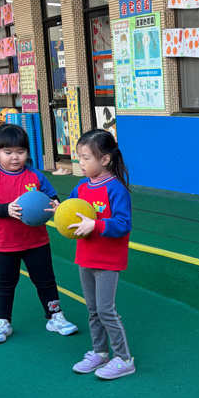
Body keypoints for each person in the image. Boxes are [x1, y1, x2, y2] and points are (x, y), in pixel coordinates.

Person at [0, 122, 78, 343]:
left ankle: (55, 317)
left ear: (27, 152)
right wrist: (6, 209)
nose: (15, 157)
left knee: (46, 280)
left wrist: (56, 206)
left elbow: (52, 198)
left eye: (20, 151)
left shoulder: (35, 176)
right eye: (8, 152)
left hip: (36, 241)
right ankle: (2, 322)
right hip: (2, 243)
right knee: (4, 283)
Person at [66, 129, 134, 380]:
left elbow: (123, 224)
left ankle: (124, 359)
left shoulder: (116, 189)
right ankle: (100, 352)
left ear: (105, 159)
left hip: (107, 261)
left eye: (86, 158)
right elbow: (71, 209)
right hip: (85, 257)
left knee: (106, 311)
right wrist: (59, 209)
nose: (81, 163)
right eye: (79, 157)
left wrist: (96, 225)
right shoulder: (81, 186)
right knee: (93, 309)